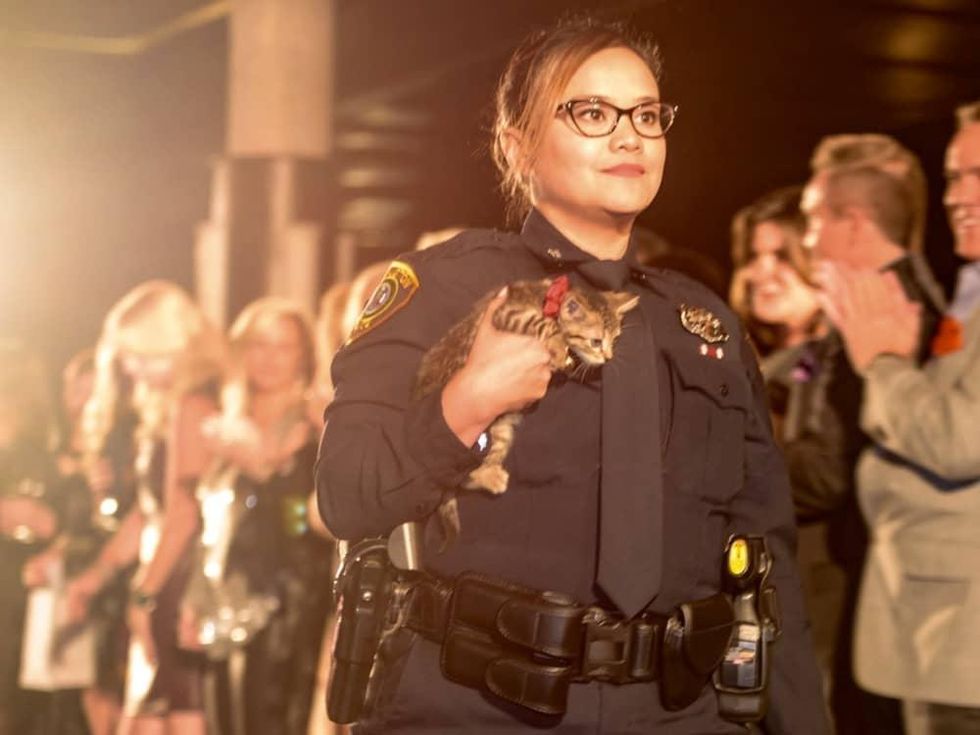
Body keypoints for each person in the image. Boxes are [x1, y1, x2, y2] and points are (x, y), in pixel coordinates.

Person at [317, 16, 826, 733]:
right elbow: (346, 491)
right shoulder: (440, 289)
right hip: (475, 707)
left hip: (678, 712)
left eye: (647, 115)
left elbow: (770, 565)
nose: (630, 136)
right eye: (592, 112)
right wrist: (465, 403)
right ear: (516, 146)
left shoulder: (700, 325)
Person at [820, 100, 980, 735]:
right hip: (933, 631)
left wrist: (883, 364)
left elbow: (959, 437)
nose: (957, 196)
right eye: (953, 176)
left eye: (978, 174)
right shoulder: (968, 292)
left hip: (963, 642)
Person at [798, 134, 946, 734]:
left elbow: (828, 475)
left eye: (811, 220)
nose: (808, 240)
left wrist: (731, 458)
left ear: (853, 224)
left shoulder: (879, 316)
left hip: (878, 603)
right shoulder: (925, 302)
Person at [65, 281, 225, 735]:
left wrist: (144, 594)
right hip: (163, 573)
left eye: (139, 355)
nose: (128, 368)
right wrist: (99, 575)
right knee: (145, 718)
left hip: (178, 578)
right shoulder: (167, 406)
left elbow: (183, 513)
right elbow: (149, 512)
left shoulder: (193, 405)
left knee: (171, 714)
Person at [182, 297, 332, 734]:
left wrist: (268, 475)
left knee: (270, 718)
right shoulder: (228, 419)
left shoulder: (315, 418)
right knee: (224, 717)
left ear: (303, 353)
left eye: (282, 346)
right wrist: (196, 593)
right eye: (258, 344)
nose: (268, 358)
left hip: (288, 592)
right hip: (227, 588)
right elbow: (209, 525)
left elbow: (306, 521)